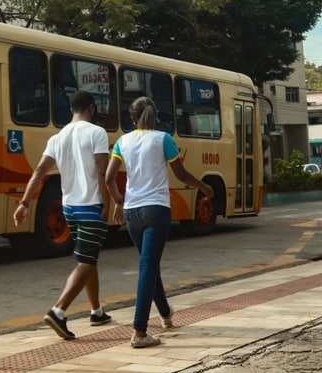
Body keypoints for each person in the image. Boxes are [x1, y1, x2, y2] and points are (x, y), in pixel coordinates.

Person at [105, 96, 214, 348]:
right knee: (148, 266)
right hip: (156, 210)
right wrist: (204, 187)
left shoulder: (122, 141)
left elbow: (109, 177)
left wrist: (119, 201)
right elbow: (182, 174)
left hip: (132, 212)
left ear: (132, 119)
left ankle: (165, 314)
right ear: (154, 115)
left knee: (149, 264)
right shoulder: (164, 139)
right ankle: (140, 331)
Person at [14, 90, 111, 340]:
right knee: (86, 260)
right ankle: (58, 311)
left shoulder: (58, 137)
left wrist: (24, 203)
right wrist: (108, 203)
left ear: (71, 109)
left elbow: (39, 171)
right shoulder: (96, 133)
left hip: (69, 207)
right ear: (92, 108)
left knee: (88, 257)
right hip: (91, 205)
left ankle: (96, 311)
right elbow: (102, 171)